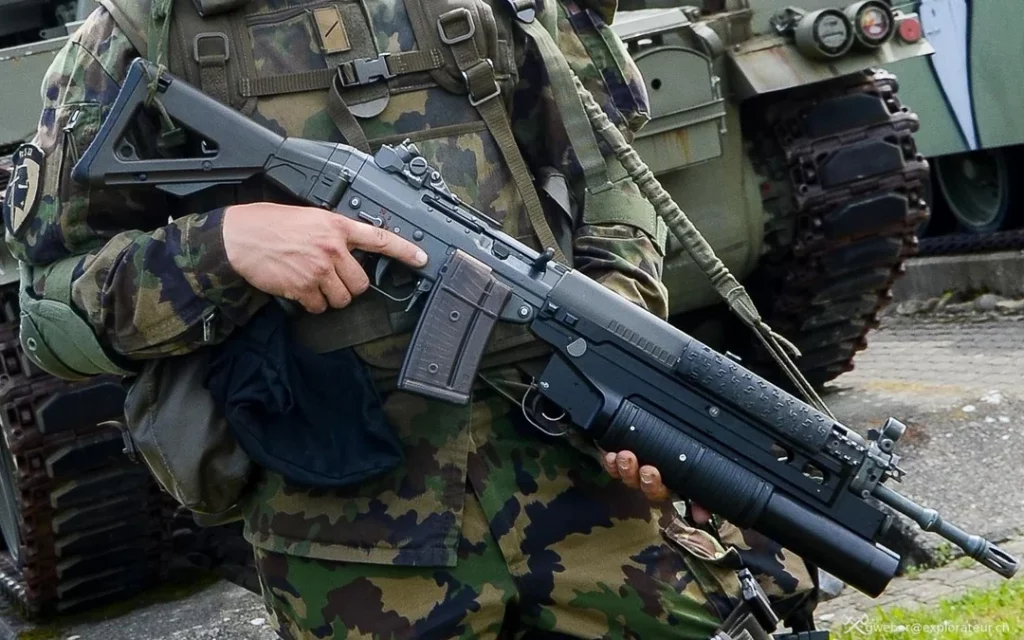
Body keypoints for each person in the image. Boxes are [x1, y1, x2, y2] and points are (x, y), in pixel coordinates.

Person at [4, 0, 817, 637]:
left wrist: (623, 358)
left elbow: (609, 186)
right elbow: (49, 307)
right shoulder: (145, 28)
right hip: (347, 538)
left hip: (585, 486)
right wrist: (222, 247)